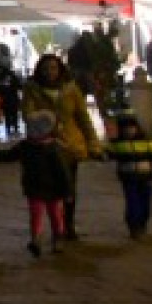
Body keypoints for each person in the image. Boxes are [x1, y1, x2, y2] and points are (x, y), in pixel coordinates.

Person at [23, 51, 103, 239]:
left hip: (69, 145)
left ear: (60, 69)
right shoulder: (32, 89)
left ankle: (68, 224)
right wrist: (45, 123)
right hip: (44, 146)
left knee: (69, 186)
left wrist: (93, 144)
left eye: (53, 68)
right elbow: (28, 115)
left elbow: (83, 118)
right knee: (48, 188)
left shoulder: (71, 89)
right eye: (45, 69)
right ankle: (54, 226)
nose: (49, 72)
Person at [0, 110, 74, 257]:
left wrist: (67, 191)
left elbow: (63, 173)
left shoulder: (51, 148)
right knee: (40, 214)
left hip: (48, 189)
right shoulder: (30, 146)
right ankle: (37, 239)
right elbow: (8, 155)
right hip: (36, 188)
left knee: (53, 214)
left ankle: (55, 238)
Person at [107, 111, 152, 239]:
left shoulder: (147, 141)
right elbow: (108, 155)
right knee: (133, 203)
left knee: (146, 204)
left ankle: (142, 225)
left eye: (131, 128)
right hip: (128, 178)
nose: (129, 131)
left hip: (145, 177)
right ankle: (134, 227)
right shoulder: (117, 143)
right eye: (125, 128)